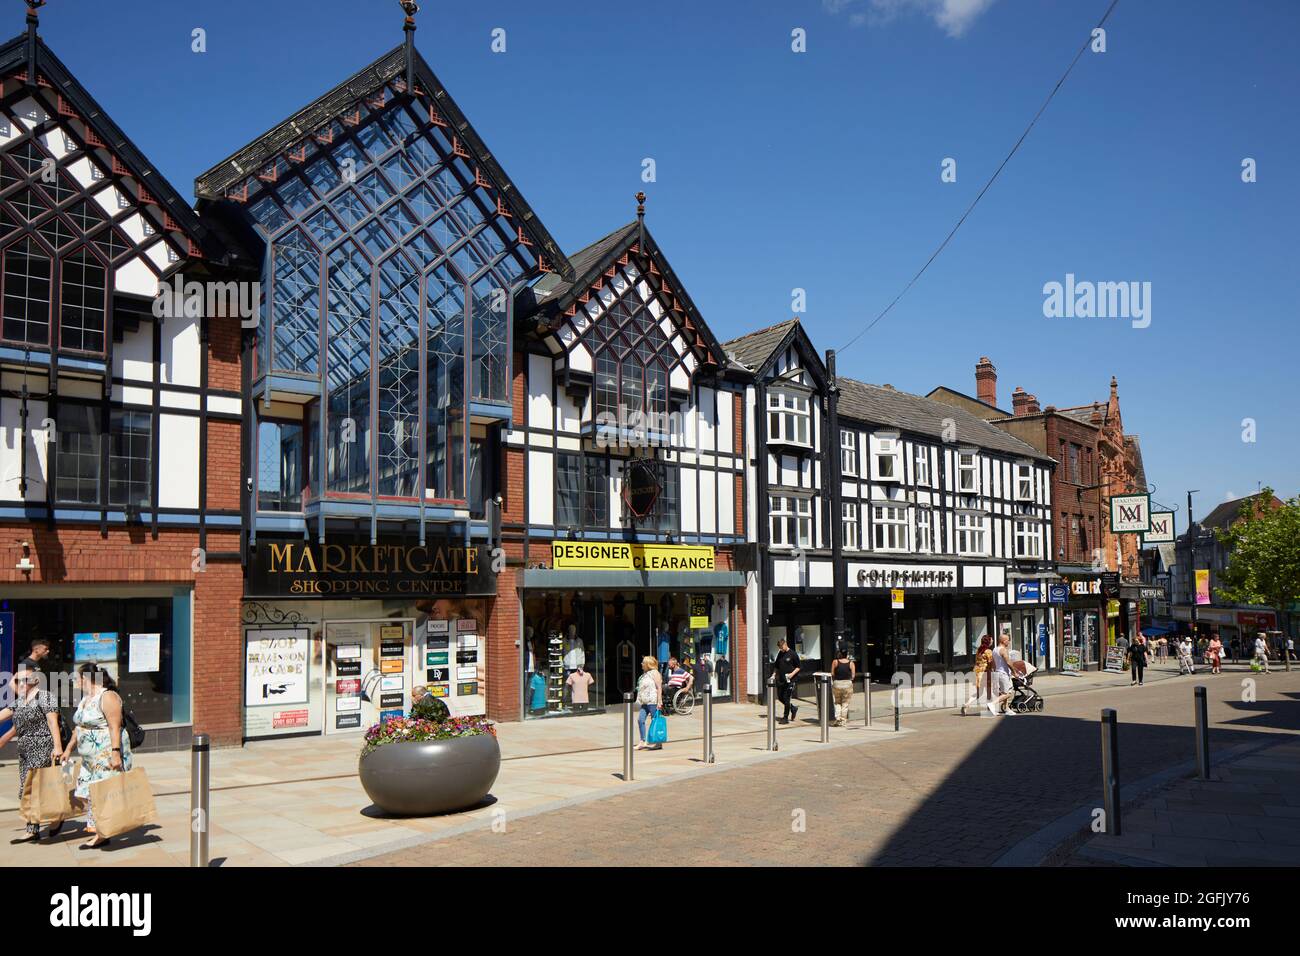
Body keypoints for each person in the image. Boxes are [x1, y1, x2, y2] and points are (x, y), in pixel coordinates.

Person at [58, 664, 133, 849]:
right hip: (88, 758)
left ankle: (101, 833)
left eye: (78, 678)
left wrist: (116, 754)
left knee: (100, 794)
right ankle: (102, 828)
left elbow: (114, 726)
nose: (76, 681)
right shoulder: (86, 698)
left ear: (87, 678)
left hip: (105, 754)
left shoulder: (108, 696)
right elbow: (79, 727)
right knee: (85, 793)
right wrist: (68, 749)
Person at [0, 664, 63, 840]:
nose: (19, 683)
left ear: (35, 680)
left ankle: (38, 825)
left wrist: (57, 746)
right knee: (27, 789)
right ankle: (33, 828)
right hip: (24, 749)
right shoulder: (20, 701)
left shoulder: (45, 697)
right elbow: (2, 715)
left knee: (33, 788)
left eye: (24, 680)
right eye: (17, 680)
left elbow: (53, 723)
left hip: (42, 747)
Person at [634, 657, 663, 751]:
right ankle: (643, 741)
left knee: (655, 721)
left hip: (653, 701)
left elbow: (659, 687)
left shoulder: (655, 673)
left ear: (648, 664)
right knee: (640, 720)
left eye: (643, 663)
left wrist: (659, 701)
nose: (641, 664)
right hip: (645, 701)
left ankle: (658, 742)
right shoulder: (645, 674)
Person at [962, 635, 994, 716]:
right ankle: (989, 709)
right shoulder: (988, 651)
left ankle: (967, 704)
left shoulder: (978, 650)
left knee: (979, 692)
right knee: (989, 692)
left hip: (977, 672)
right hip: (985, 673)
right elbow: (990, 663)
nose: (992, 641)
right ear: (988, 642)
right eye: (991, 640)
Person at [771, 638, 801, 724]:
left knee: (786, 698)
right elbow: (776, 666)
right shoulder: (780, 653)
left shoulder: (793, 654)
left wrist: (792, 674)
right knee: (780, 697)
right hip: (781, 679)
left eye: (781, 647)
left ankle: (785, 717)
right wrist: (774, 674)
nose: (780, 649)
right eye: (779, 648)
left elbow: (798, 667)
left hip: (790, 680)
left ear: (785, 644)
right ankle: (793, 708)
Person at [988, 633, 1015, 716]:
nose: (1009, 642)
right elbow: (1008, 662)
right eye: (1008, 640)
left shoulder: (995, 650)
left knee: (1004, 692)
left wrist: (994, 671)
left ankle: (1007, 709)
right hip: (1004, 674)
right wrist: (1014, 671)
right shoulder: (1003, 650)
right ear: (1003, 641)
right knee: (1008, 693)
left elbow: (992, 663)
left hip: (998, 672)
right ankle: (992, 704)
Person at [830, 646, 855, 726]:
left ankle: (837, 718)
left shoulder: (835, 662)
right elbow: (853, 676)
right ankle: (843, 720)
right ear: (847, 654)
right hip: (847, 683)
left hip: (837, 683)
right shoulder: (851, 663)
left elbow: (832, 673)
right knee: (845, 703)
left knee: (837, 702)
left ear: (840, 653)